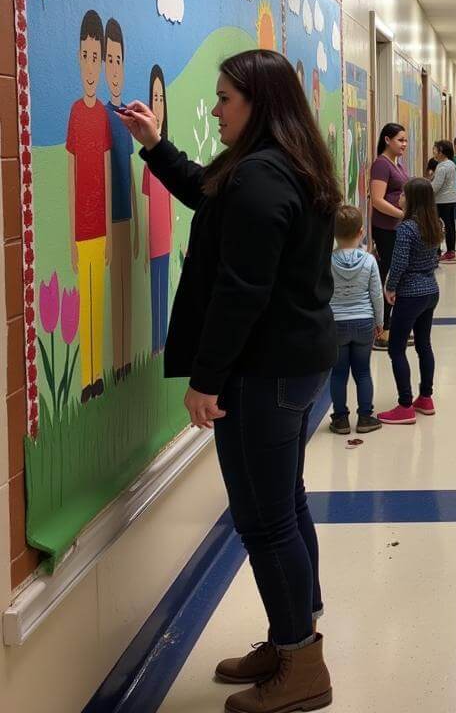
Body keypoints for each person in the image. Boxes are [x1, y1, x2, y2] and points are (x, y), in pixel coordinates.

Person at [118, 49, 340, 712]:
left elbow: (241, 291)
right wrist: (156, 148)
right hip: (293, 363)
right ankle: (292, 638)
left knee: (265, 520)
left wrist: (204, 381)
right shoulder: (277, 167)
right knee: (285, 506)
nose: (215, 109)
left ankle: (302, 666)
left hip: (264, 370)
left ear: (258, 104)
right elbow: (210, 198)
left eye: (224, 99)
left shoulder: (260, 179)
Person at [67, 10, 112, 403]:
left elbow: (107, 174)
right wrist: (69, 237)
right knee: (85, 305)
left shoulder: (102, 117)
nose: (91, 65)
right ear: (79, 58)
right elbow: (70, 175)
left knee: (98, 303)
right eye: (86, 55)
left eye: (95, 57)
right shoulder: (75, 113)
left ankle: (99, 374)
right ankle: (86, 380)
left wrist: (112, 236)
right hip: (81, 231)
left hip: (101, 229)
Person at [379, 178, 444, 425]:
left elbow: (399, 263)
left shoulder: (406, 228)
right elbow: (435, 257)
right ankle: (425, 398)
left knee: (396, 348)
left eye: (403, 195)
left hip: (410, 293)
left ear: (413, 199)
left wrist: (390, 287)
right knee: (423, 344)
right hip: (431, 290)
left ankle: (405, 405)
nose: (399, 198)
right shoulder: (435, 224)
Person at [103, 17, 139, 381]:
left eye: (118, 61)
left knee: (128, 289)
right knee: (116, 291)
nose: (114, 69)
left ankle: (127, 358)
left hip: (128, 218)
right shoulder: (101, 115)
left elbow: (127, 176)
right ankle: (117, 365)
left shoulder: (127, 116)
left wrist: (139, 228)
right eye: (108, 61)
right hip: (109, 221)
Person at [328, 204, 383, 436]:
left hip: (336, 323)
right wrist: (379, 322)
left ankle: (340, 418)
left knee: (338, 373)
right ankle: (365, 417)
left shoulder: (327, 261)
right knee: (362, 372)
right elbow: (376, 294)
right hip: (363, 321)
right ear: (361, 231)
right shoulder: (369, 261)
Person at [141, 65, 173, 356]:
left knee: (163, 287)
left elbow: (179, 190)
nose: (158, 106)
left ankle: (162, 340)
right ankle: (155, 343)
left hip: (165, 241)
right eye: (155, 99)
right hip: (153, 242)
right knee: (154, 292)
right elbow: (146, 202)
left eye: (161, 99)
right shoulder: (151, 166)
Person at [369, 123, 409, 350]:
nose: (403, 144)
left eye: (405, 140)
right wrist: (403, 214)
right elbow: (377, 200)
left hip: (397, 227)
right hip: (387, 228)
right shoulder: (381, 165)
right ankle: (382, 330)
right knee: (388, 277)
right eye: (400, 140)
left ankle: (391, 327)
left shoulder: (396, 164)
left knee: (396, 276)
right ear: (387, 140)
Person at [431, 139, 456, 264]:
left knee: (438, 226)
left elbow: (436, 186)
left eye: (435, 150)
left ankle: (438, 253)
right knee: (450, 225)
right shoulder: (451, 164)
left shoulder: (442, 167)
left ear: (441, 152)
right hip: (451, 199)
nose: (433, 152)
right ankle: (450, 251)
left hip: (441, 201)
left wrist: (424, 190)